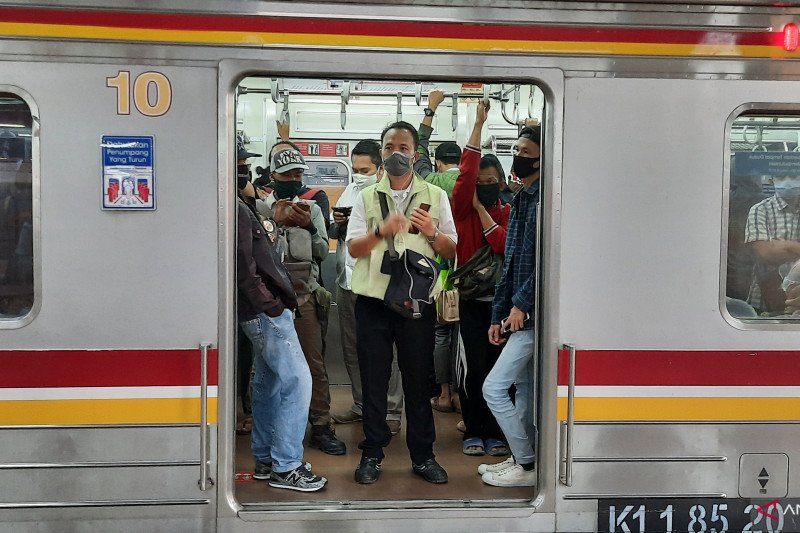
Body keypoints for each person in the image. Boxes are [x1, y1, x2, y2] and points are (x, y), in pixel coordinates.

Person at [346, 121, 457, 485]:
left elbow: (451, 249)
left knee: (416, 382)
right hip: (374, 301)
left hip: (416, 303)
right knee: (374, 381)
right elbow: (353, 248)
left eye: (404, 147)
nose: (397, 154)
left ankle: (423, 456)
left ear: (416, 154)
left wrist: (431, 231)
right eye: (390, 147)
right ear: (382, 152)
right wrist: (382, 231)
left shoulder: (436, 197)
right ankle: (373, 453)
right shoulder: (364, 197)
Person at [236, 186, 327, 492]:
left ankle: (264, 458)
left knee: (268, 382)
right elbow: (244, 266)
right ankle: (287, 466)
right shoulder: (238, 208)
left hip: (257, 310)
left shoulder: (240, 206)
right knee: (298, 380)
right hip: (265, 311)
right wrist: (271, 304)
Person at [257, 144, 346, 455]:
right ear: (273, 177)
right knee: (269, 367)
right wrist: (277, 225)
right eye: (287, 175)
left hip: (304, 296)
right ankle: (270, 427)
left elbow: (323, 252)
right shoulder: (258, 210)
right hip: (268, 301)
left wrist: (308, 226)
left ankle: (321, 425)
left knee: (313, 363)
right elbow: (254, 257)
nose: (294, 180)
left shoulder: (313, 210)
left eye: (298, 174)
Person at [479, 124, 542, 488]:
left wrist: (519, 306)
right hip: (518, 312)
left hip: (534, 315)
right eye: (516, 149)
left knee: (495, 388)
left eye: (525, 152)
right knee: (523, 389)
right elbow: (512, 260)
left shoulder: (546, 200)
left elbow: (544, 262)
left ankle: (528, 461)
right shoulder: (522, 198)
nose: (517, 156)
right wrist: (499, 312)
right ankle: (524, 459)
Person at [328, 139, 405, 435]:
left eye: (365, 169)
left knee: (388, 353)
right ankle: (361, 404)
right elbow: (342, 238)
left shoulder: (390, 197)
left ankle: (392, 410)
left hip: (381, 284)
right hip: (347, 282)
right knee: (353, 348)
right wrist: (338, 223)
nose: (359, 174)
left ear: (379, 169)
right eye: (355, 168)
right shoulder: (350, 192)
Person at [451, 101, 512, 457]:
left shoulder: (510, 210)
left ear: (501, 183)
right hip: (473, 301)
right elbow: (466, 170)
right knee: (473, 368)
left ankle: (496, 431)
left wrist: (481, 210)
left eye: (491, 183)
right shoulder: (461, 209)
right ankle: (474, 429)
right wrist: (478, 124)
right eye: (480, 183)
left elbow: (502, 244)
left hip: (502, 304)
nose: (485, 187)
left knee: (500, 370)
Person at [744, 174, 800, 314]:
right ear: (772, 180)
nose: (788, 182)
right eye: (781, 177)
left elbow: (772, 251)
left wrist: (785, 246)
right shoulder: (760, 209)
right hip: (764, 299)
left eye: (794, 176)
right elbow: (765, 253)